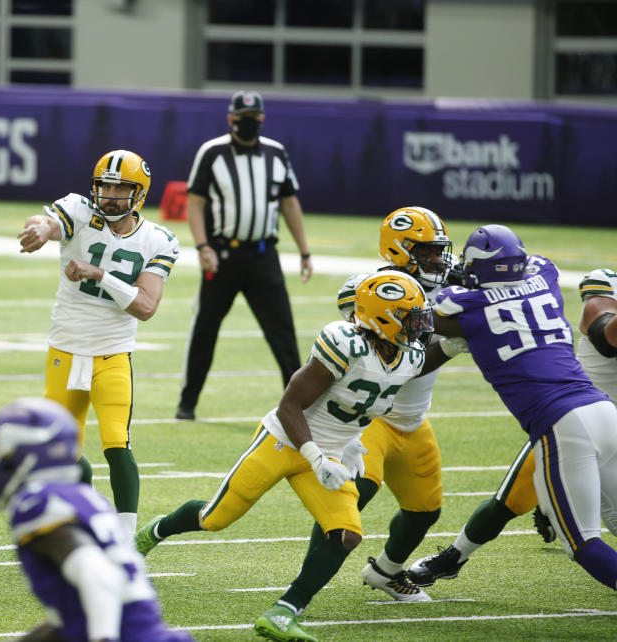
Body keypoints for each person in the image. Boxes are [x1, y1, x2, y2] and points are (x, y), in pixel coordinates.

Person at [137, 272, 455, 642]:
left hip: (332, 452)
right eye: (410, 317)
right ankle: (152, 533)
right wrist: (316, 457)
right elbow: (290, 406)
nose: (419, 326)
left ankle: (284, 612)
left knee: (346, 535)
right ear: (383, 318)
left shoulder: (408, 353)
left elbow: (416, 366)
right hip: (285, 441)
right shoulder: (344, 343)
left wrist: (451, 348)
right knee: (215, 518)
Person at [413, 225, 617, 592]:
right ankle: (454, 557)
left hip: (562, 425)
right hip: (604, 412)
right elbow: (515, 277)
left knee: (584, 544)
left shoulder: (466, 307)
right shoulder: (546, 272)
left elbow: (422, 317)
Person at [292, 206, 467, 604]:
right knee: (348, 506)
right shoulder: (370, 290)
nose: (438, 260)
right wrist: (456, 336)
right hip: (368, 419)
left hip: (413, 420)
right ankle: (299, 592)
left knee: (424, 510)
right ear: (398, 250)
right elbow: (406, 361)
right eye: (427, 252)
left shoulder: (445, 284)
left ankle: (385, 572)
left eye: (439, 251)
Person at [18, 150, 179, 537]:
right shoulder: (78, 211)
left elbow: (145, 306)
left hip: (112, 351)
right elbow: (47, 221)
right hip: (65, 348)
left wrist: (99, 274)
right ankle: (90, 510)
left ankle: (126, 538)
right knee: (59, 451)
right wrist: (38, 228)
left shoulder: (158, 240)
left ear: (138, 192)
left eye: (120, 187)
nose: (109, 195)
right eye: (105, 185)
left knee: (116, 442)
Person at [0, 397, 193, 642]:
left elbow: (98, 575)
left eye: (4, 456)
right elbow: (73, 621)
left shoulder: (36, 502)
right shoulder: (84, 498)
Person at [176, 90, 313, 421]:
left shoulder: (276, 153)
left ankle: (300, 408)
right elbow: (194, 201)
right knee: (205, 328)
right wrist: (202, 246)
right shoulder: (212, 152)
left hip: (264, 255)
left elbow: (289, 202)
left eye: (254, 120)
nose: (248, 125)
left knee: (282, 331)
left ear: (262, 120)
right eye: (243, 120)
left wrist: (304, 251)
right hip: (222, 254)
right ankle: (187, 403)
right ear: (230, 119)